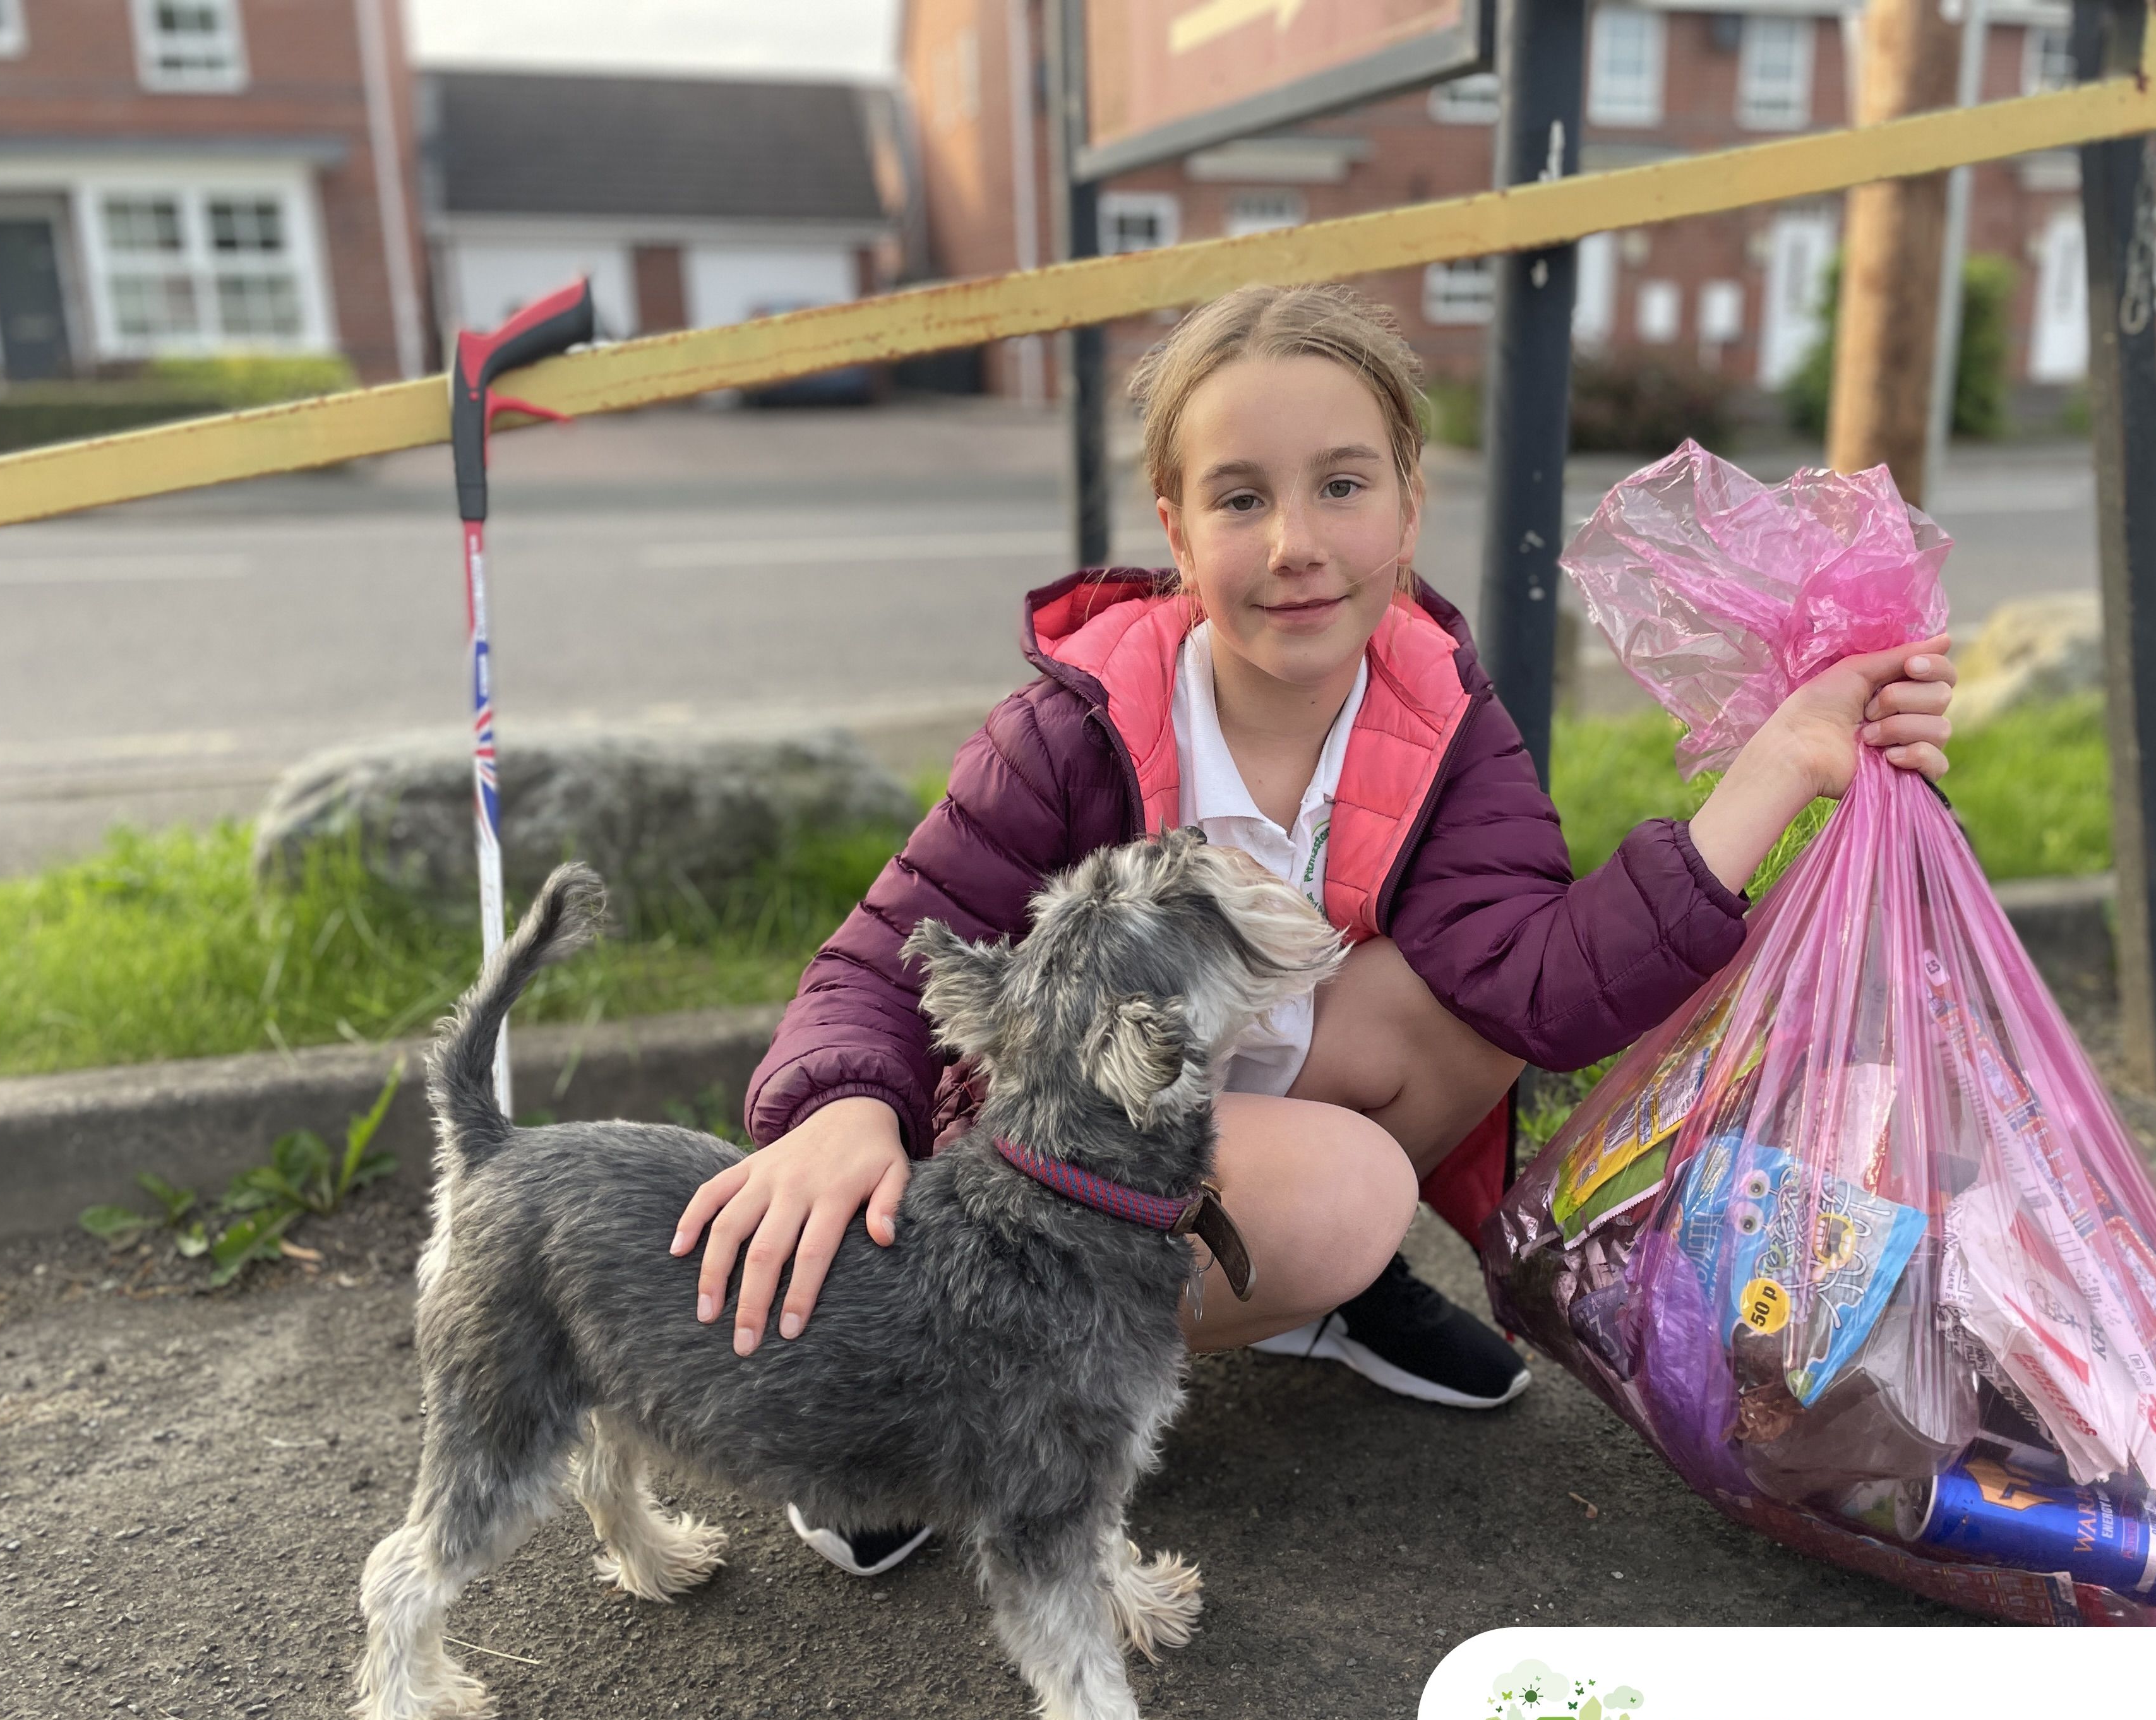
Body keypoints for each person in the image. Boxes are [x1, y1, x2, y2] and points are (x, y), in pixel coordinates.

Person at [671, 283, 1956, 1577]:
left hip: (1228, 1114)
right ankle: (935, 1391)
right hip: (1039, 1161)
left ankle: (1306, 1302)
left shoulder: (1448, 719)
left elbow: (1543, 989)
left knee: (1460, 1015)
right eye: (1241, 499)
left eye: (1342, 485)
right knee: (1352, 1196)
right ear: (1176, 530)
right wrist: (844, 1109)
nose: (1296, 540)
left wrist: (1784, 761)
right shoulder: (1075, 726)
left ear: (1408, 506)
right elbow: (884, 953)